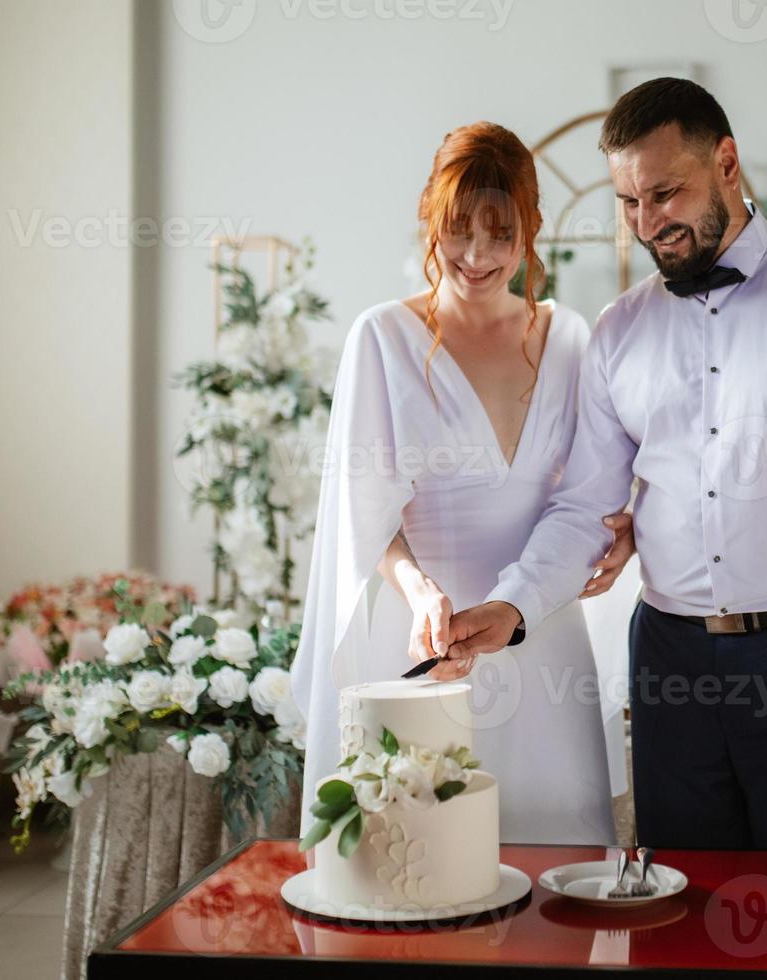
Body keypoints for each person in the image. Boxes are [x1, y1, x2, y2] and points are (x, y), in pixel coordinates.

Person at [447, 79, 767, 978]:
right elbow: (586, 509)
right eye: (629, 203)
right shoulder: (618, 333)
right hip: (673, 668)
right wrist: (511, 605)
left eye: (666, 193)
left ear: (726, 162)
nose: (648, 223)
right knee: (684, 937)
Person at [289, 121, 635, 846]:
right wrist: (418, 589)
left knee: (555, 863)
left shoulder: (571, 339)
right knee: (421, 858)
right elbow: (363, 509)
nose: (476, 256)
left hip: (540, 640)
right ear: (430, 221)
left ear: (529, 231)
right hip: (425, 638)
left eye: (500, 234)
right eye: (457, 230)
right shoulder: (382, 337)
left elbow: (591, 496)